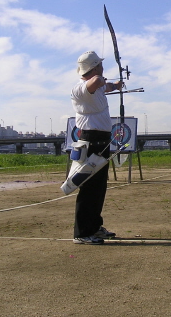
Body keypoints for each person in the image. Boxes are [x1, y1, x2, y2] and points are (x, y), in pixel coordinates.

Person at [70, 51, 122, 244]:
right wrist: (101, 78)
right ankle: (82, 233)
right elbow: (96, 82)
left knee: (99, 187)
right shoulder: (80, 89)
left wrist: (115, 85)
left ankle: (94, 226)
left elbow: (104, 86)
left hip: (101, 141)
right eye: (99, 65)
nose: (102, 68)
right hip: (90, 141)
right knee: (89, 187)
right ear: (94, 68)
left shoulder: (96, 86)